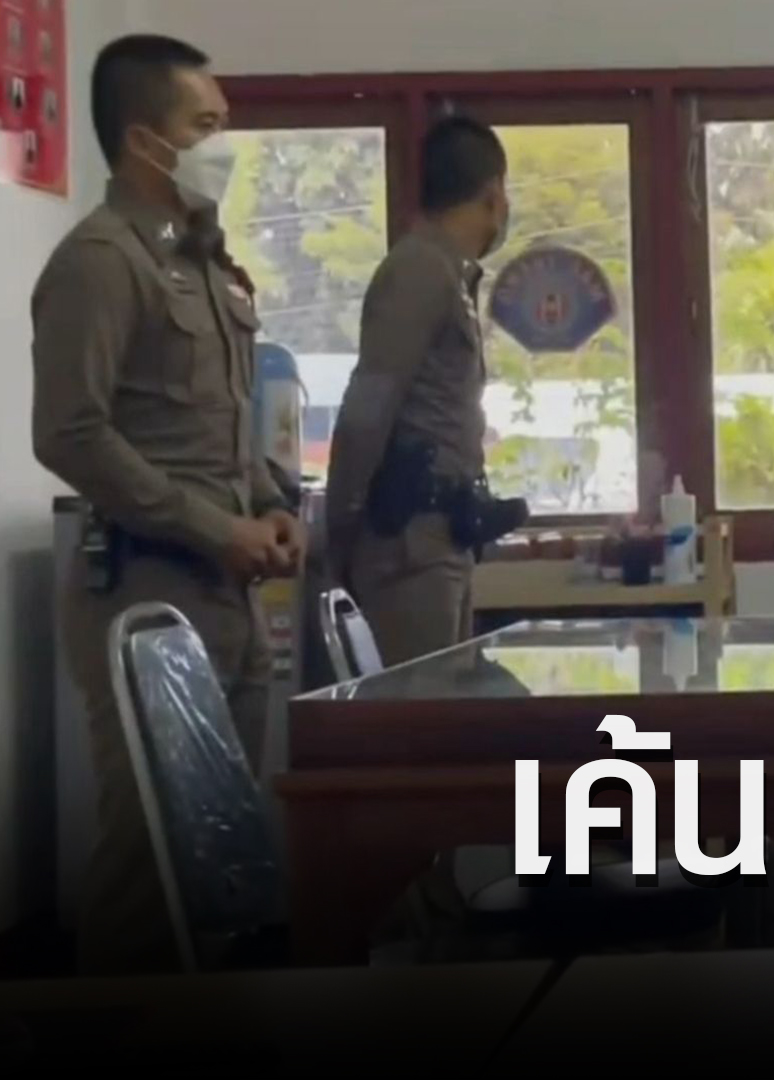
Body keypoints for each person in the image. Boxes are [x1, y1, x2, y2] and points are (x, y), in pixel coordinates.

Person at [32, 34, 302, 974]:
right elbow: (69, 432)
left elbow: (224, 426)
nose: (223, 144)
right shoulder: (101, 261)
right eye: (206, 124)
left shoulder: (203, 260)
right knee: (152, 865)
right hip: (148, 589)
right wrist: (216, 528)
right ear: (146, 140)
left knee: (220, 859)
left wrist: (270, 506)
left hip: (226, 594)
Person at [325, 116, 512, 665]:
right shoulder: (418, 270)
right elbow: (368, 410)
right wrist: (341, 532)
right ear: (493, 194)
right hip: (408, 544)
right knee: (418, 706)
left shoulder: (449, 274)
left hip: (442, 538)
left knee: (447, 705)